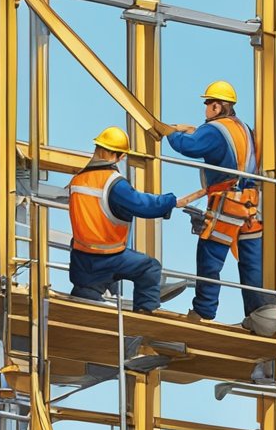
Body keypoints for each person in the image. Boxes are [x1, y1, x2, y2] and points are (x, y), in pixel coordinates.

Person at [168, 81, 275, 328]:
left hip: (227, 203)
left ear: (217, 106)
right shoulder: (245, 130)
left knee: (210, 255)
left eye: (207, 104)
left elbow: (189, 146)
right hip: (251, 204)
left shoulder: (215, 129)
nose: (205, 109)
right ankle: (263, 314)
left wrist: (171, 132)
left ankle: (203, 310)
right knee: (251, 259)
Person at [68, 126, 203, 313]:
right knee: (150, 268)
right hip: (108, 257)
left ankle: (86, 293)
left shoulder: (77, 181)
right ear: (120, 156)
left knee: (92, 284)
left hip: (81, 258)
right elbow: (142, 204)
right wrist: (172, 201)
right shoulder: (112, 182)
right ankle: (146, 313)